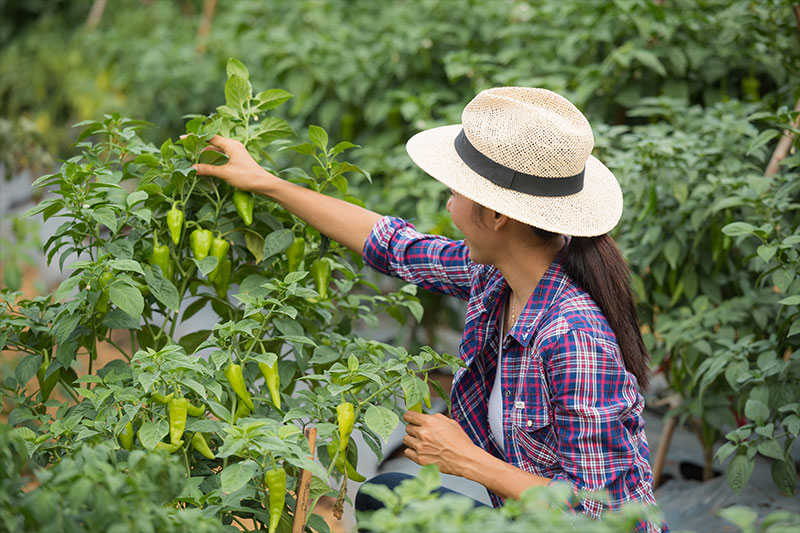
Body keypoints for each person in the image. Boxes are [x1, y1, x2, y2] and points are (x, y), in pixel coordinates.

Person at [194, 87, 663, 530]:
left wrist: (467, 460)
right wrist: (265, 182)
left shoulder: (572, 337)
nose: (449, 203)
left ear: (498, 216)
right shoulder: (500, 277)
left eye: (457, 193)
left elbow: (603, 516)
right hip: (529, 521)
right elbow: (394, 246)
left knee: (398, 504)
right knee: (387, 496)